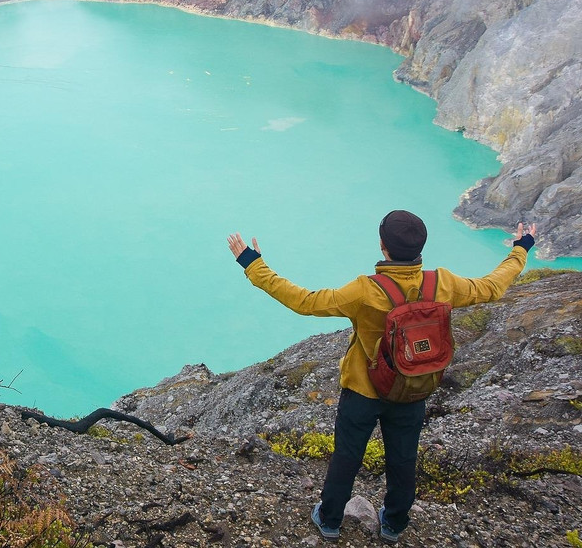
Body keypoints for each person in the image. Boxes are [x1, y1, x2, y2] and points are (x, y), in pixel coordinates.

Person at [226, 211, 536, 543]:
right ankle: (394, 525)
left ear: (382, 246)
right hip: (414, 387)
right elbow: (492, 286)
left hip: (364, 389)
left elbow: (304, 301)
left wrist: (253, 265)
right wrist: (521, 248)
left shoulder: (365, 291)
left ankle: (330, 520)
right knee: (403, 457)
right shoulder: (442, 284)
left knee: (347, 456)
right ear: (420, 247)